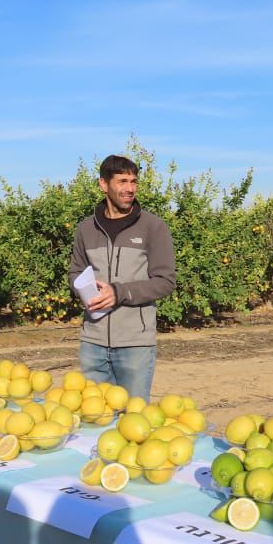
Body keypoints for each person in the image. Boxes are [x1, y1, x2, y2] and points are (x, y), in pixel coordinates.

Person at [68, 154, 175, 401]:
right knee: (94, 419)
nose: (130, 189)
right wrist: (83, 288)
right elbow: (75, 272)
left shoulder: (153, 227)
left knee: (133, 420)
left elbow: (165, 280)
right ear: (103, 184)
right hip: (92, 342)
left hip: (135, 344)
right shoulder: (86, 228)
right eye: (122, 181)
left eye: (134, 181)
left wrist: (119, 292)